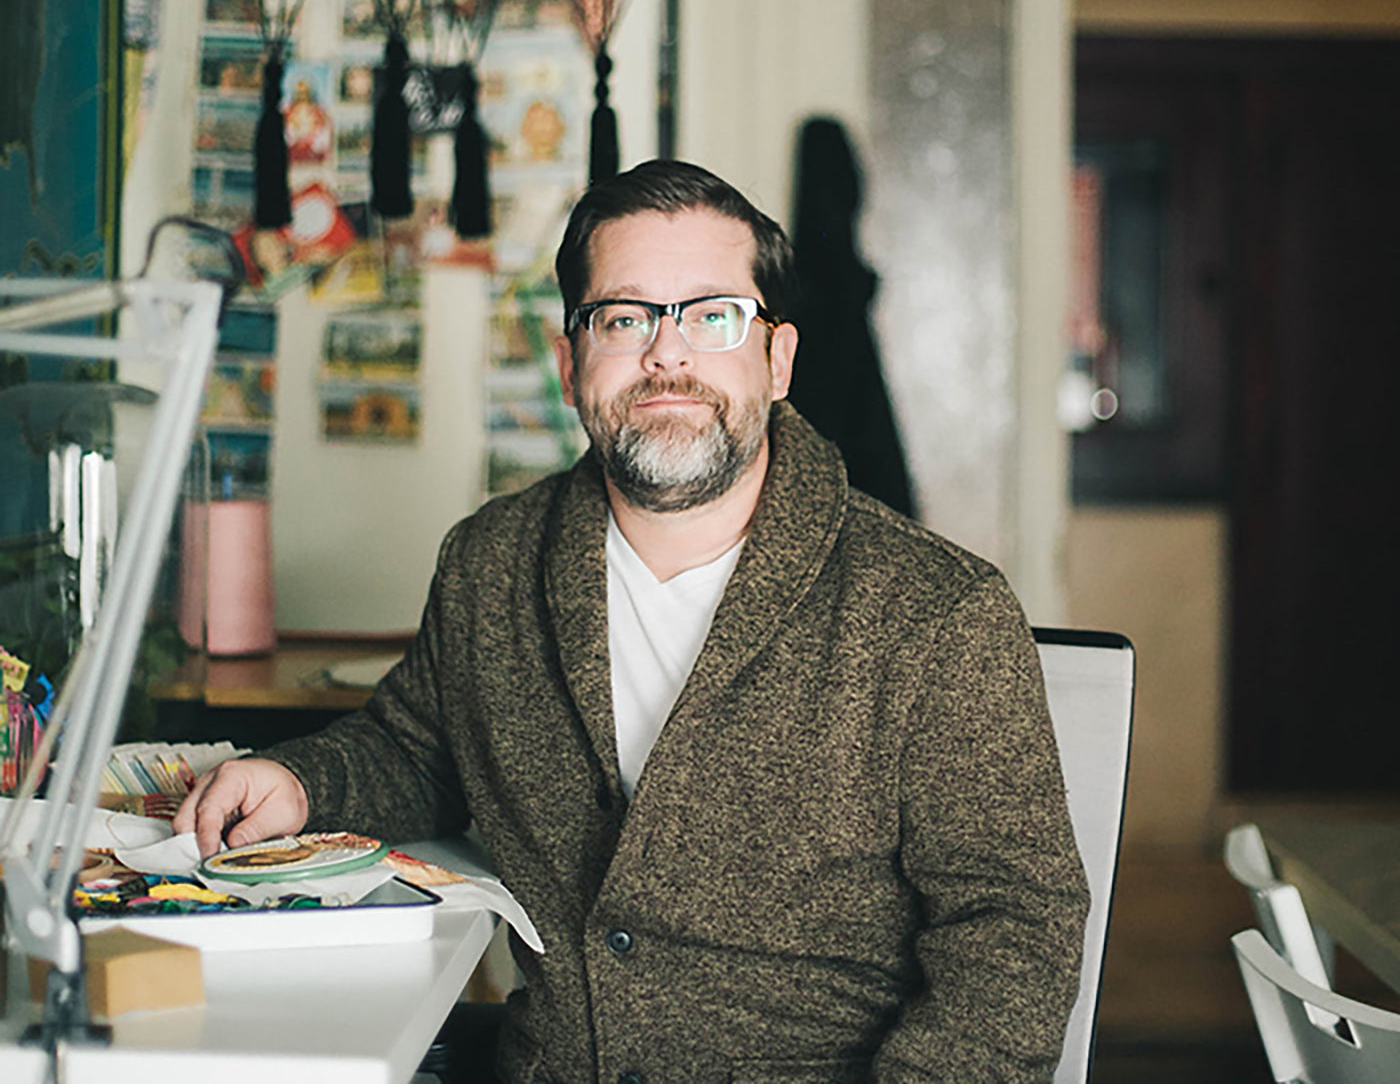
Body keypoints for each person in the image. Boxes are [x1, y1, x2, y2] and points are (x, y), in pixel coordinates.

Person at [176, 160, 1088, 1083]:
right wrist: (297, 781)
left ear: (777, 360)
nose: (668, 354)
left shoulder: (937, 614)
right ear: (571, 361)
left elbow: (1014, 930)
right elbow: (420, 750)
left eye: (711, 315)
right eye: (625, 317)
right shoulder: (490, 563)